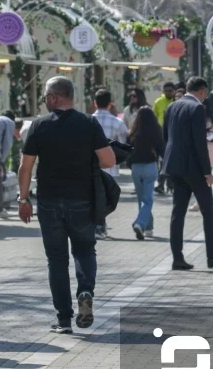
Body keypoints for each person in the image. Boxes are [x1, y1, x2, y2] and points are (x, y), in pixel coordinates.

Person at [18, 76, 116, 334]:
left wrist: (23, 198)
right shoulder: (88, 123)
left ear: (53, 97)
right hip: (82, 200)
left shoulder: (39, 126)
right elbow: (108, 160)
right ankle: (85, 291)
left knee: (57, 260)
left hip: (49, 201)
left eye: (45, 98)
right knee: (84, 250)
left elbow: (25, 167)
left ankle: (63, 319)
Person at [163, 77, 213, 270]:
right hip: (193, 168)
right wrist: (207, 171)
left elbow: (166, 137)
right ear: (201, 91)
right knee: (208, 211)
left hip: (175, 166)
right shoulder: (196, 109)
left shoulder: (172, 107)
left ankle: (177, 257)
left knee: (178, 212)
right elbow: (199, 143)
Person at [91, 88, 129, 239]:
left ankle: (98, 225)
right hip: (110, 165)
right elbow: (123, 142)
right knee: (106, 195)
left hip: (90, 165)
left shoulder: (87, 120)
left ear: (94, 103)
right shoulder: (117, 122)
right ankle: (100, 226)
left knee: (94, 195)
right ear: (110, 104)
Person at [128, 106, 165, 240]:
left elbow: (126, 151)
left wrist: (130, 165)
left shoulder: (133, 133)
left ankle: (147, 228)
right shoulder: (156, 131)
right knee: (147, 200)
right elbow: (162, 149)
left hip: (136, 169)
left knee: (141, 199)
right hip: (150, 167)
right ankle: (140, 223)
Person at [153, 82, 175, 194]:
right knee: (162, 161)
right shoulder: (158, 102)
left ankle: (170, 185)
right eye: (165, 90)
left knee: (169, 161)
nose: (167, 92)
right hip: (161, 135)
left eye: (170, 90)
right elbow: (154, 116)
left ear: (174, 91)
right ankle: (161, 184)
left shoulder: (176, 102)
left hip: (173, 135)